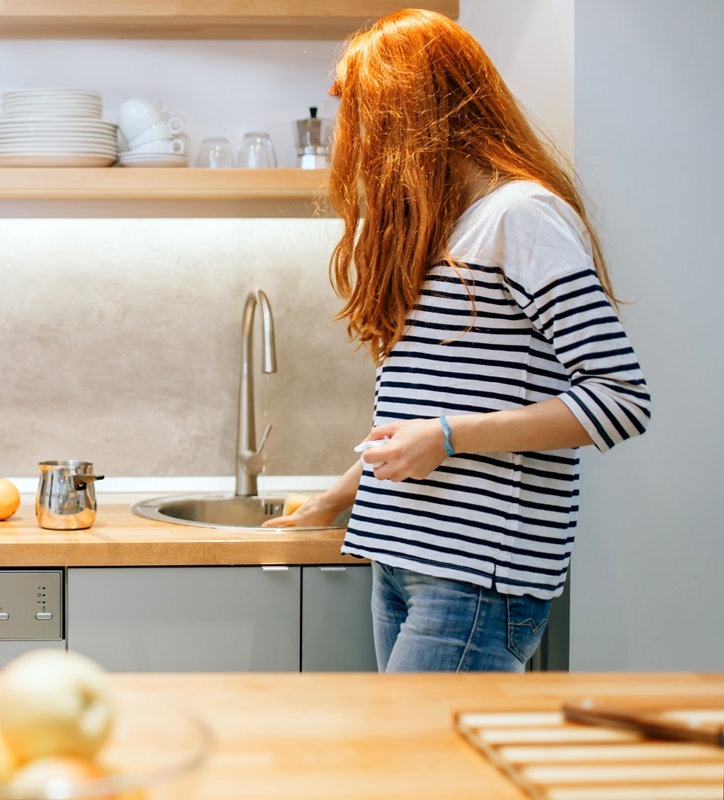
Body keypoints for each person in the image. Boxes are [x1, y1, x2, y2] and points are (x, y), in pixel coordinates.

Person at [264, 8, 651, 673]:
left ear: (416, 114)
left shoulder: (520, 217)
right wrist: (338, 497)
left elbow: (620, 399)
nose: (355, 144)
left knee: (422, 778)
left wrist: (448, 438)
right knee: (409, 772)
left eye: (367, 120)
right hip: (403, 556)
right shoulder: (451, 230)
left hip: (475, 577)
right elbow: (421, 416)